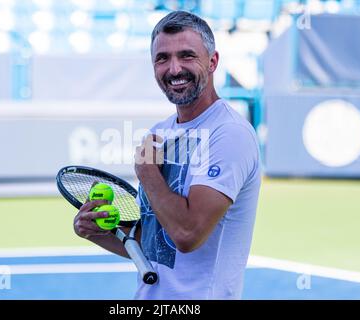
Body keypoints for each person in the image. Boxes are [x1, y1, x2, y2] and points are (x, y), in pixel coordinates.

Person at [73, 10, 261, 300]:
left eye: (187, 55)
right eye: (162, 58)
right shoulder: (161, 132)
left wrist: (148, 174)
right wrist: (97, 231)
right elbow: (156, 244)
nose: (174, 69)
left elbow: (187, 234)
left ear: (213, 62)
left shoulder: (229, 134)